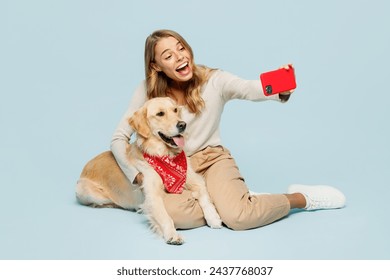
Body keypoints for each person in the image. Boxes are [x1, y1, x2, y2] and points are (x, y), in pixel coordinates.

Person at [111, 29, 346, 230]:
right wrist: (136, 175)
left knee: (238, 218)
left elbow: (247, 88)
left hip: (211, 159)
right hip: (172, 168)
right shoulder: (146, 90)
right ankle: (234, 198)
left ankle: (300, 198)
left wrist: (278, 88)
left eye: (181, 48)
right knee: (173, 215)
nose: (180, 57)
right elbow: (119, 138)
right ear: (156, 66)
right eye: (168, 56)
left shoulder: (214, 80)